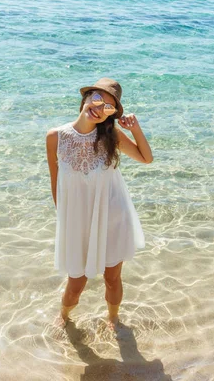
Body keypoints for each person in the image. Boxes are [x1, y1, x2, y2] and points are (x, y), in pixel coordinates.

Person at [46, 78, 153, 327]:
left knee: (112, 278)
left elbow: (146, 158)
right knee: (76, 284)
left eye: (108, 106)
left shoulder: (111, 135)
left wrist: (135, 129)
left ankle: (113, 320)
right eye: (96, 99)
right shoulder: (55, 137)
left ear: (112, 114)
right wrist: (64, 221)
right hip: (77, 222)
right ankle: (63, 317)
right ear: (85, 99)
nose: (99, 107)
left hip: (113, 217)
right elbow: (56, 183)